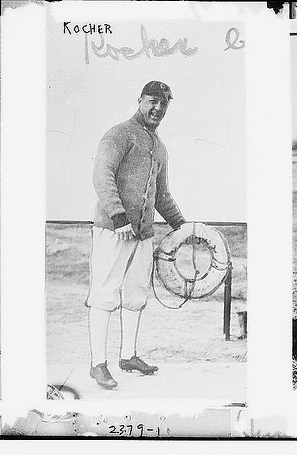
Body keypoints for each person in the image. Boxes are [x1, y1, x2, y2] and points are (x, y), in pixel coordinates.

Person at [86, 81, 185, 389]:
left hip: (142, 234)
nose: (157, 108)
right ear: (140, 100)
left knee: (136, 295)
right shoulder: (119, 134)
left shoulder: (160, 147)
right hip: (114, 230)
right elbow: (101, 176)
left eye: (163, 104)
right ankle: (97, 364)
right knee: (104, 295)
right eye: (152, 101)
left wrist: (182, 225)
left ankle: (128, 356)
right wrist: (119, 217)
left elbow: (162, 194)